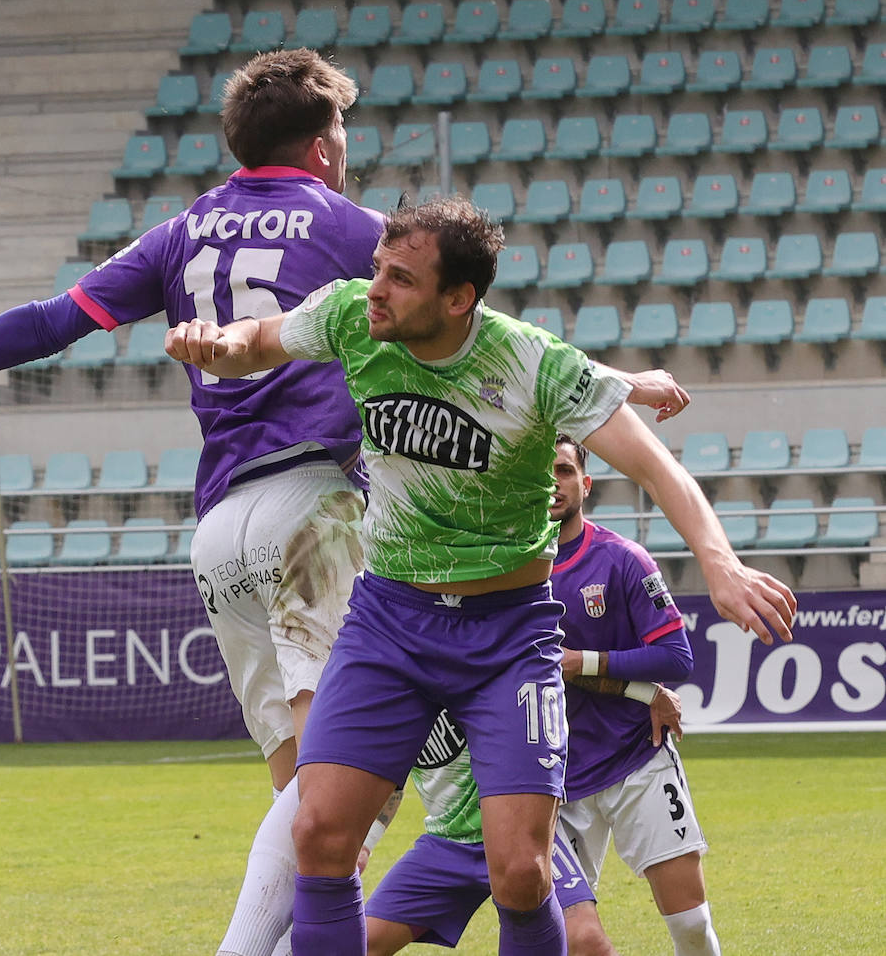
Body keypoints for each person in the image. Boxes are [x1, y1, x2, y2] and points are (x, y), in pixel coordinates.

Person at [0, 48, 384, 956]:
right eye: (341, 130)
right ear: (319, 147)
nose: (346, 146)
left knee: (301, 799)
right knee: (352, 793)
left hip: (222, 531)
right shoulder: (356, 229)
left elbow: (49, 321)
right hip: (312, 509)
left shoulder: (181, 231)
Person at [165, 197, 797, 956]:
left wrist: (719, 565)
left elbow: (655, 466)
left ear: (457, 299)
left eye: (399, 278)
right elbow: (258, 339)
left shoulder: (535, 364)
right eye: (376, 271)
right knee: (319, 833)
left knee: (521, 874)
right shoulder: (350, 319)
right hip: (388, 619)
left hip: (506, 635)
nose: (375, 289)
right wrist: (216, 341)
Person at [550, 437, 722, 956]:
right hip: (552, 779)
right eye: (539, 471)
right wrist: (641, 690)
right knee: (573, 940)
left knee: (691, 925)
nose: (550, 482)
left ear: (586, 483)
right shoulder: (504, 575)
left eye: (561, 469)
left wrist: (589, 662)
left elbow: (677, 656)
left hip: (635, 761)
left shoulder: (623, 559)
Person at [363, 689, 682, 956]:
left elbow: (561, 662)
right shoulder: (390, 692)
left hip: (520, 831)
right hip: (449, 843)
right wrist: (365, 845)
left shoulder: (475, 657)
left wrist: (648, 692)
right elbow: (391, 779)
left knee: (586, 940)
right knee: (360, 944)